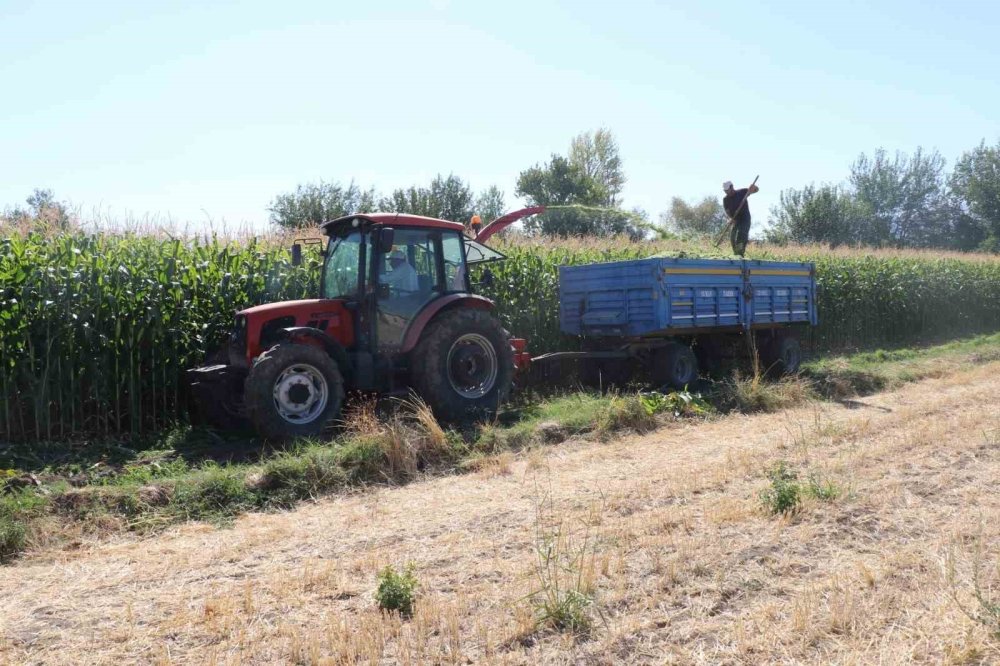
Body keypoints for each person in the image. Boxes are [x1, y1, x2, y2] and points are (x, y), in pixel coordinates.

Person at [722, 180, 759, 256]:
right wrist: (731, 219)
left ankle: (740, 254)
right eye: (725, 191)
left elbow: (756, 190)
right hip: (736, 220)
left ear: (732, 187)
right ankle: (736, 254)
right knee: (732, 237)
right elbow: (727, 211)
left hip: (745, 219)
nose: (726, 192)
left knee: (741, 236)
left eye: (727, 190)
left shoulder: (742, 192)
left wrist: (754, 188)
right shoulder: (725, 199)